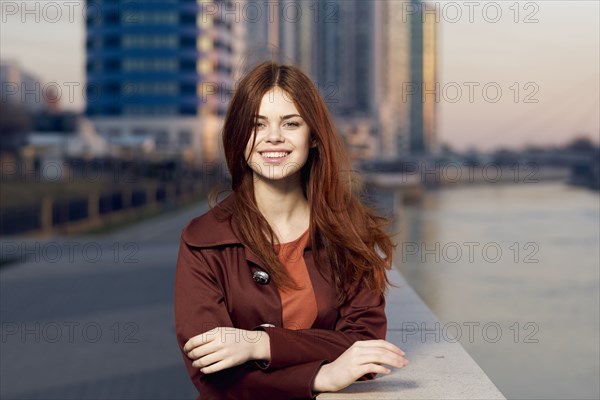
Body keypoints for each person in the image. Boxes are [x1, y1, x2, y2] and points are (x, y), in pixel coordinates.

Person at [174, 61, 408, 400]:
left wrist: (258, 343)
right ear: (240, 137)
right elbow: (210, 372)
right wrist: (318, 377)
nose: (273, 137)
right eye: (257, 124)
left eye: (291, 123)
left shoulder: (349, 233)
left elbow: (364, 344)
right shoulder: (203, 240)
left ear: (313, 136)